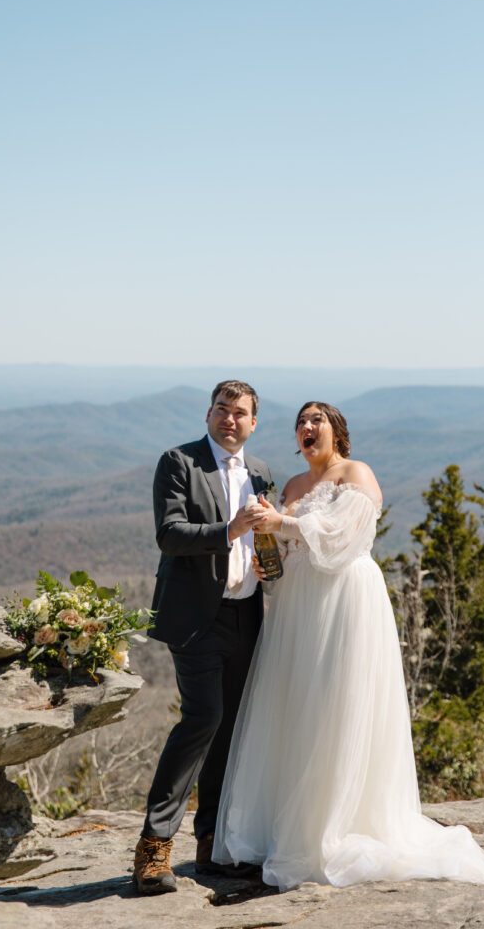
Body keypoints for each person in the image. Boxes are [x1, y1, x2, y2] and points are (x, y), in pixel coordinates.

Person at [212, 401, 484, 890]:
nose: (307, 427)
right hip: (297, 607)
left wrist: (279, 525)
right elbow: (289, 552)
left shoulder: (357, 473)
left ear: (338, 431)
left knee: (338, 706)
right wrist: (268, 563)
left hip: (345, 599)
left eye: (317, 420)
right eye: (301, 422)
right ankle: (294, 826)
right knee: (298, 707)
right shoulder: (291, 486)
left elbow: (341, 539)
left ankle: (338, 827)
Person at [134, 379, 274, 894]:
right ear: (208, 414)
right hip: (197, 618)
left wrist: (267, 561)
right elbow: (168, 533)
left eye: (240, 413)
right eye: (221, 410)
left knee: (231, 729)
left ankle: (212, 847)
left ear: (253, 423)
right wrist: (230, 529)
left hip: (248, 615)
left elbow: (261, 538)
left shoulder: (260, 472)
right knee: (204, 718)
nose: (229, 419)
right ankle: (153, 850)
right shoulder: (179, 462)